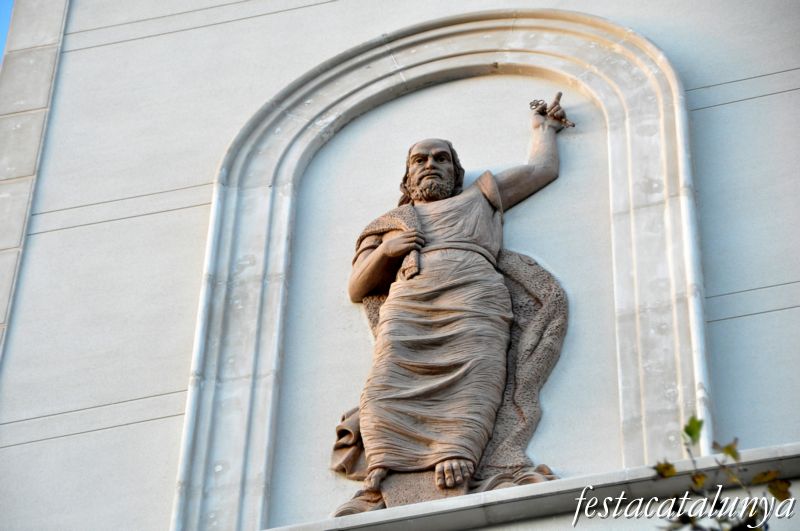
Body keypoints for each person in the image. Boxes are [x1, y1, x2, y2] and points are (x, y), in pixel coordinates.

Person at [333, 94, 571, 514]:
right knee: (386, 384)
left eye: (441, 159)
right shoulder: (388, 224)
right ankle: (383, 472)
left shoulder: (480, 196)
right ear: (406, 177)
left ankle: (459, 449)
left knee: (476, 371)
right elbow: (357, 287)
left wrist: (543, 130)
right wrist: (387, 252)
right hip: (409, 307)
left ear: (455, 172)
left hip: (473, 298)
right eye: (419, 160)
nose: (430, 165)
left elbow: (542, 169)